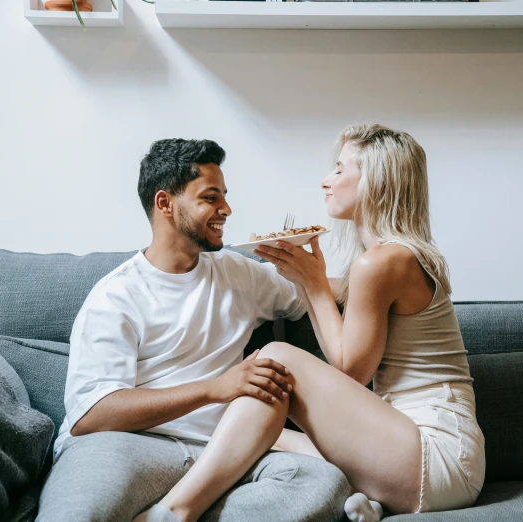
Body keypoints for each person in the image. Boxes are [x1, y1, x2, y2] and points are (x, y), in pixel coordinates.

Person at [152, 124, 486, 522]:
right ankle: (368, 501)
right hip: (407, 447)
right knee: (256, 430)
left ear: (376, 183)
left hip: (439, 456)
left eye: (341, 170)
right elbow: (334, 308)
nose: (326, 181)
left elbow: (352, 371)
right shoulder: (386, 260)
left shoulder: (382, 263)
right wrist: (300, 278)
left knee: (275, 360)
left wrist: (312, 283)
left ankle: (174, 512)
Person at [36, 138, 350, 522]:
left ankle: (173, 512)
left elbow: (318, 292)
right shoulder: (116, 296)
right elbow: (92, 414)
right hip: (132, 445)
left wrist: (385, 273)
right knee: (78, 513)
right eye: (211, 198)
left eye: (225, 197)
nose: (227, 210)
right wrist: (213, 389)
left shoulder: (238, 272)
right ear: (165, 203)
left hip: (221, 455)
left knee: (322, 484)